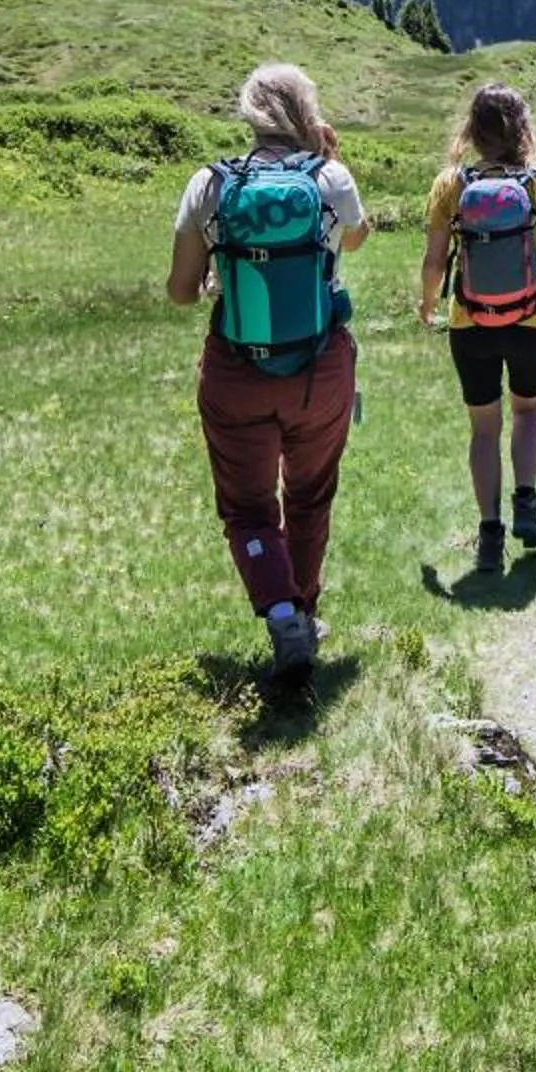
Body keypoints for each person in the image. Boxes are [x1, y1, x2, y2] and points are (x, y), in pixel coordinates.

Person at [169, 64, 370, 679]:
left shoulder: (210, 184)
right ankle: (305, 614)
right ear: (308, 114)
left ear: (250, 115)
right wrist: (327, 157)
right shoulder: (330, 177)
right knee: (310, 496)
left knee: (249, 508)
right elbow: (357, 240)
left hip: (237, 372)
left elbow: (180, 291)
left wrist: (213, 280)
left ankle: (281, 611)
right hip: (319, 368)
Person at [419, 83, 536, 565]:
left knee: (483, 430)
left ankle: (490, 534)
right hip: (530, 322)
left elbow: (435, 259)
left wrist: (427, 303)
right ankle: (527, 502)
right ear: (522, 130)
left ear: (471, 130)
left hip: (469, 323)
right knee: (528, 413)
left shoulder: (450, 185)